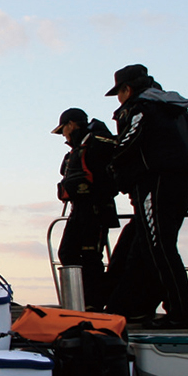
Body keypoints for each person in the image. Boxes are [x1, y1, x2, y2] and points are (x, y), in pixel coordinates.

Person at [102, 63, 188, 328]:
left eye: (120, 93)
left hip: (153, 183)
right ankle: (133, 308)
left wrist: (113, 172)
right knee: (146, 246)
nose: (120, 99)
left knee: (159, 248)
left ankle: (181, 313)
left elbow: (126, 142)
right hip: (181, 182)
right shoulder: (179, 109)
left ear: (127, 88)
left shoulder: (141, 108)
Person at [51, 107, 119, 310]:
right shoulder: (81, 147)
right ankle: (80, 302)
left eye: (63, 129)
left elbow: (107, 176)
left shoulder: (99, 143)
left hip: (96, 208)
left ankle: (94, 303)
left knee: (90, 256)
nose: (63, 135)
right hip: (78, 209)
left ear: (71, 124)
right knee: (68, 252)